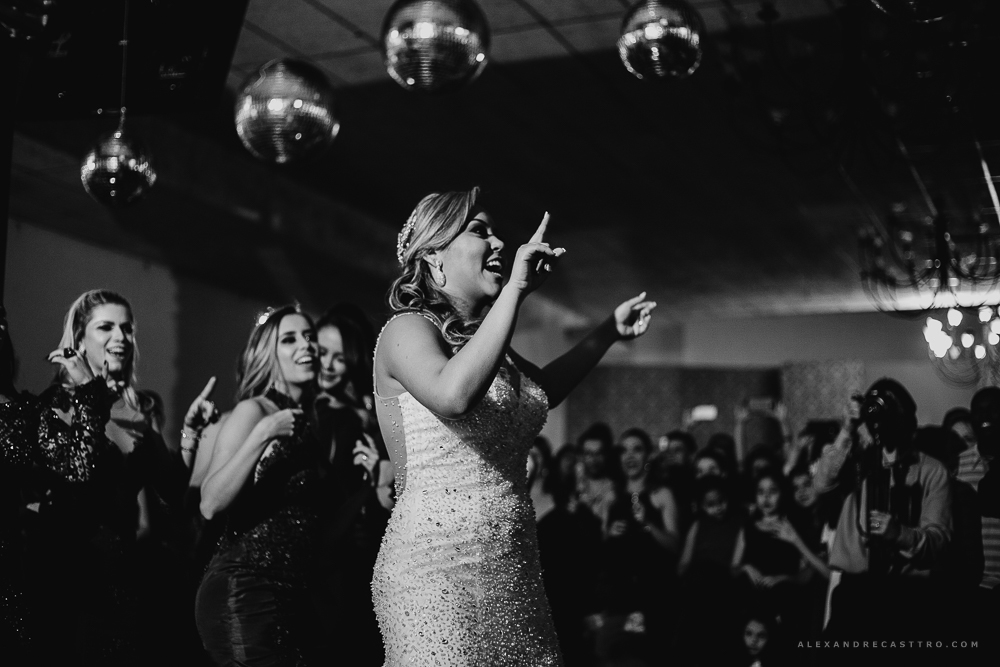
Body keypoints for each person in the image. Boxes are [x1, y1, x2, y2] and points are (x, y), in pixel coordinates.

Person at [370, 188, 656, 665]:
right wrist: (515, 292)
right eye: (480, 231)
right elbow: (453, 396)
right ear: (433, 256)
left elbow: (541, 392)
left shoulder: (489, 348)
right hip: (434, 572)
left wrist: (608, 331)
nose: (500, 242)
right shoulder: (405, 331)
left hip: (512, 570)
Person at [28, 290, 197, 665]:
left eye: (127, 329)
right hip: (74, 573)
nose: (120, 337)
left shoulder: (133, 408)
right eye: (106, 327)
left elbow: (172, 486)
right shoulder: (56, 404)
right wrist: (91, 391)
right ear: (78, 340)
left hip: (126, 574)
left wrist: (191, 434)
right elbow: (75, 479)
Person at [195, 305, 326, 666]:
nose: (306, 346)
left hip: (293, 594)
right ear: (269, 355)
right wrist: (264, 433)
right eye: (290, 339)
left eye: (310, 337)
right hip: (244, 588)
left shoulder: (313, 424)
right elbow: (209, 502)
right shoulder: (254, 411)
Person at [816, 379, 952, 643]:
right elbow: (823, 483)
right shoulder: (858, 462)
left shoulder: (932, 471)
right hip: (855, 590)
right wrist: (848, 429)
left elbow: (938, 539)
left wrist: (900, 535)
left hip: (905, 593)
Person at [312, 304, 392, 666]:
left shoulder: (361, 416)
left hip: (353, 560)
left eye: (338, 358)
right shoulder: (320, 412)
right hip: (325, 560)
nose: (326, 365)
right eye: (320, 352)